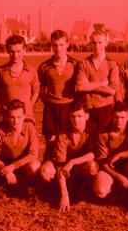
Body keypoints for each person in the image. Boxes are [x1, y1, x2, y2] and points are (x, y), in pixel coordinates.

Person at [39, 103, 99, 212]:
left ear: (87, 116)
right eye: (73, 116)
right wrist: (64, 194)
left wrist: (72, 162)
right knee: (45, 171)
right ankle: (58, 190)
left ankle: (83, 188)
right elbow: (59, 164)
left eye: (79, 116)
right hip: (63, 166)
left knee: (92, 167)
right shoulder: (63, 132)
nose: (76, 120)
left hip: (79, 165)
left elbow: (93, 153)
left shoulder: (93, 128)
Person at [0, 99, 41, 198]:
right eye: (12, 117)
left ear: (24, 116)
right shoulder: (1, 131)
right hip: (5, 164)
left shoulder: (30, 128)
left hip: (23, 164)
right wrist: (4, 168)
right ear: (7, 117)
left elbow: (33, 154)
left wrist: (13, 166)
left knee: (35, 166)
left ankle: (29, 186)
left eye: (19, 117)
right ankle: (0, 185)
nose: (16, 121)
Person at [92, 102, 128, 212]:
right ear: (112, 116)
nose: (119, 121)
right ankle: (117, 192)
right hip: (109, 168)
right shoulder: (103, 131)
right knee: (100, 191)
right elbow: (102, 161)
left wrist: (121, 154)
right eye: (116, 117)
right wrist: (119, 177)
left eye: (123, 117)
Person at [37, 30, 78, 160]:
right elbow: (41, 88)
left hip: (69, 107)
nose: (58, 48)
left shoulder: (75, 64)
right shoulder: (44, 66)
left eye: (61, 44)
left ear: (67, 44)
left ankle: (65, 170)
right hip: (51, 108)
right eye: (55, 45)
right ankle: (46, 171)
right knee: (51, 141)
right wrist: (49, 101)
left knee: (67, 140)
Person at [0, 35, 40, 125]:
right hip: (5, 117)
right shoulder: (0, 71)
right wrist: (4, 107)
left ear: (24, 50)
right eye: (12, 52)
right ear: (7, 51)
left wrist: (28, 107)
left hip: (26, 118)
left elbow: (35, 93)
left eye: (18, 51)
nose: (15, 55)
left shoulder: (31, 71)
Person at [76, 29, 119, 128]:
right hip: (87, 109)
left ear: (106, 43)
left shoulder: (112, 64)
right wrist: (102, 84)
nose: (97, 46)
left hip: (106, 109)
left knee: (103, 141)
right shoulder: (84, 63)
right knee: (87, 141)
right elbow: (80, 87)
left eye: (100, 42)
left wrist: (88, 85)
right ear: (90, 43)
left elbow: (112, 90)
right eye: (94, 42)